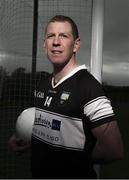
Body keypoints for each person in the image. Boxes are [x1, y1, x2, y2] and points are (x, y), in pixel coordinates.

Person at [9, 15, 124, 178]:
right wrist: (24, 139)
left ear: (76, 45)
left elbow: (114, 150)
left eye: (63, 35)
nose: (56, 42)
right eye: (51, 36)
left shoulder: (89, 87)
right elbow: (49, 130)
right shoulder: (42, 85)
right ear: (45, 44)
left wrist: (74, 159)